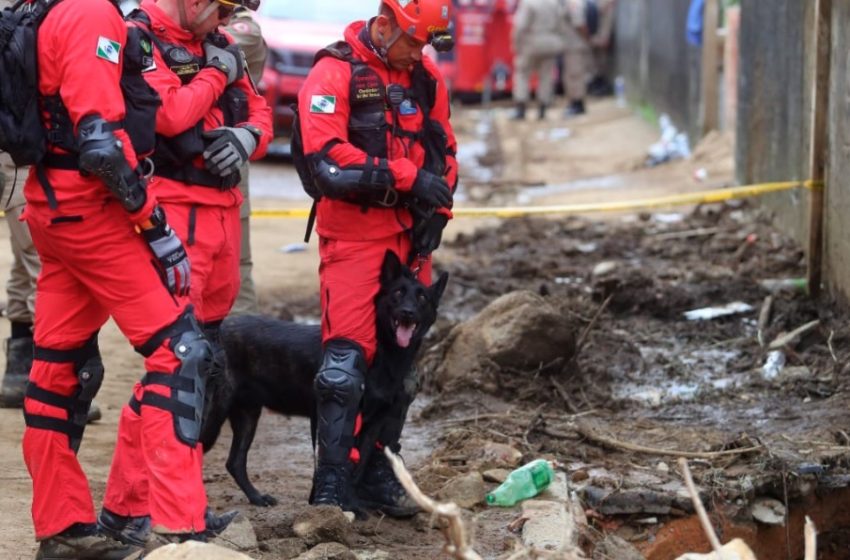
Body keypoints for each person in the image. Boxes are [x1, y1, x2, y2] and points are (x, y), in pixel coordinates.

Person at [19, 0, 224, 555]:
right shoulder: (90, 14)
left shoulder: (57, 8)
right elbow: (103, 141)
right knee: (181, 353)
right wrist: (153, 225)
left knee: (56, 374)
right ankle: (182, 531)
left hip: (53, 204)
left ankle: (62, 531)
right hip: (91, 210)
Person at [97, 0, 272, 550]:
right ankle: (141, 508)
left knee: (198, 370)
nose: (226, 22)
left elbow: (262, 112)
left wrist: (247, 139)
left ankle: (147, 504)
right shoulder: (141, 36)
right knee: (176, 367)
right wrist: (220, 73)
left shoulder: (216, 43)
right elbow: (168, 115)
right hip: (174, 215)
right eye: (220, 10)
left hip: (221, 217)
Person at [297, 0, 457, 516]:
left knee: (401, 370)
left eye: (427, 43)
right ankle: (331, 483)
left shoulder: (426, 76)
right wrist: (408, 178)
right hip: (354, 236)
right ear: (384, 25)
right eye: (413, 40)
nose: (419, 52)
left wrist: (441, 205)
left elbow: (445, 149)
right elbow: (325, 153)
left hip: (411, 237)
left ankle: (378, 474)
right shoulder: (333, 70)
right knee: (344, 367)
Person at [224, 6, 269, 316]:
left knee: (235, 266)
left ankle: (242, 346)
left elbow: (207, 46)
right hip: (180, 164)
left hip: (229, 160)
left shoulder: (245, 31)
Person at [0, 154, 37, 409]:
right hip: (24, 168)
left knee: (26, 268)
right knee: (47, 271)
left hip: (18, 170)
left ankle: (18, 375)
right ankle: (51, 383)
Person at [510, 0, 569, 121]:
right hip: (550, 43)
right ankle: (542, 109)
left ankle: (521, 109)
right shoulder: (554, 3)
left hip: (531, 43)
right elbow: (562, 26)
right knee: (546, 76)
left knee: (522, 74)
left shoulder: (528, 3)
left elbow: (520, 27)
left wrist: (515, 45)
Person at [561, 0, 591, 116]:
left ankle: (578, 104)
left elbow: (579, 24)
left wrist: (587, 38)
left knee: (576, 75)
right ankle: (574, 102)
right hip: (570, 45)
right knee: (570, 76)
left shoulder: (574, 2)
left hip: (575, 45)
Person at [585, 0, 616, 97]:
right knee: (594, 61)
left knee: (600, 61)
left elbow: (601, 10)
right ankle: (595, 82)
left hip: (600, 35)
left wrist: (604, 37)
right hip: (595, 34)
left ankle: (599, 83)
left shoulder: (607, 8)